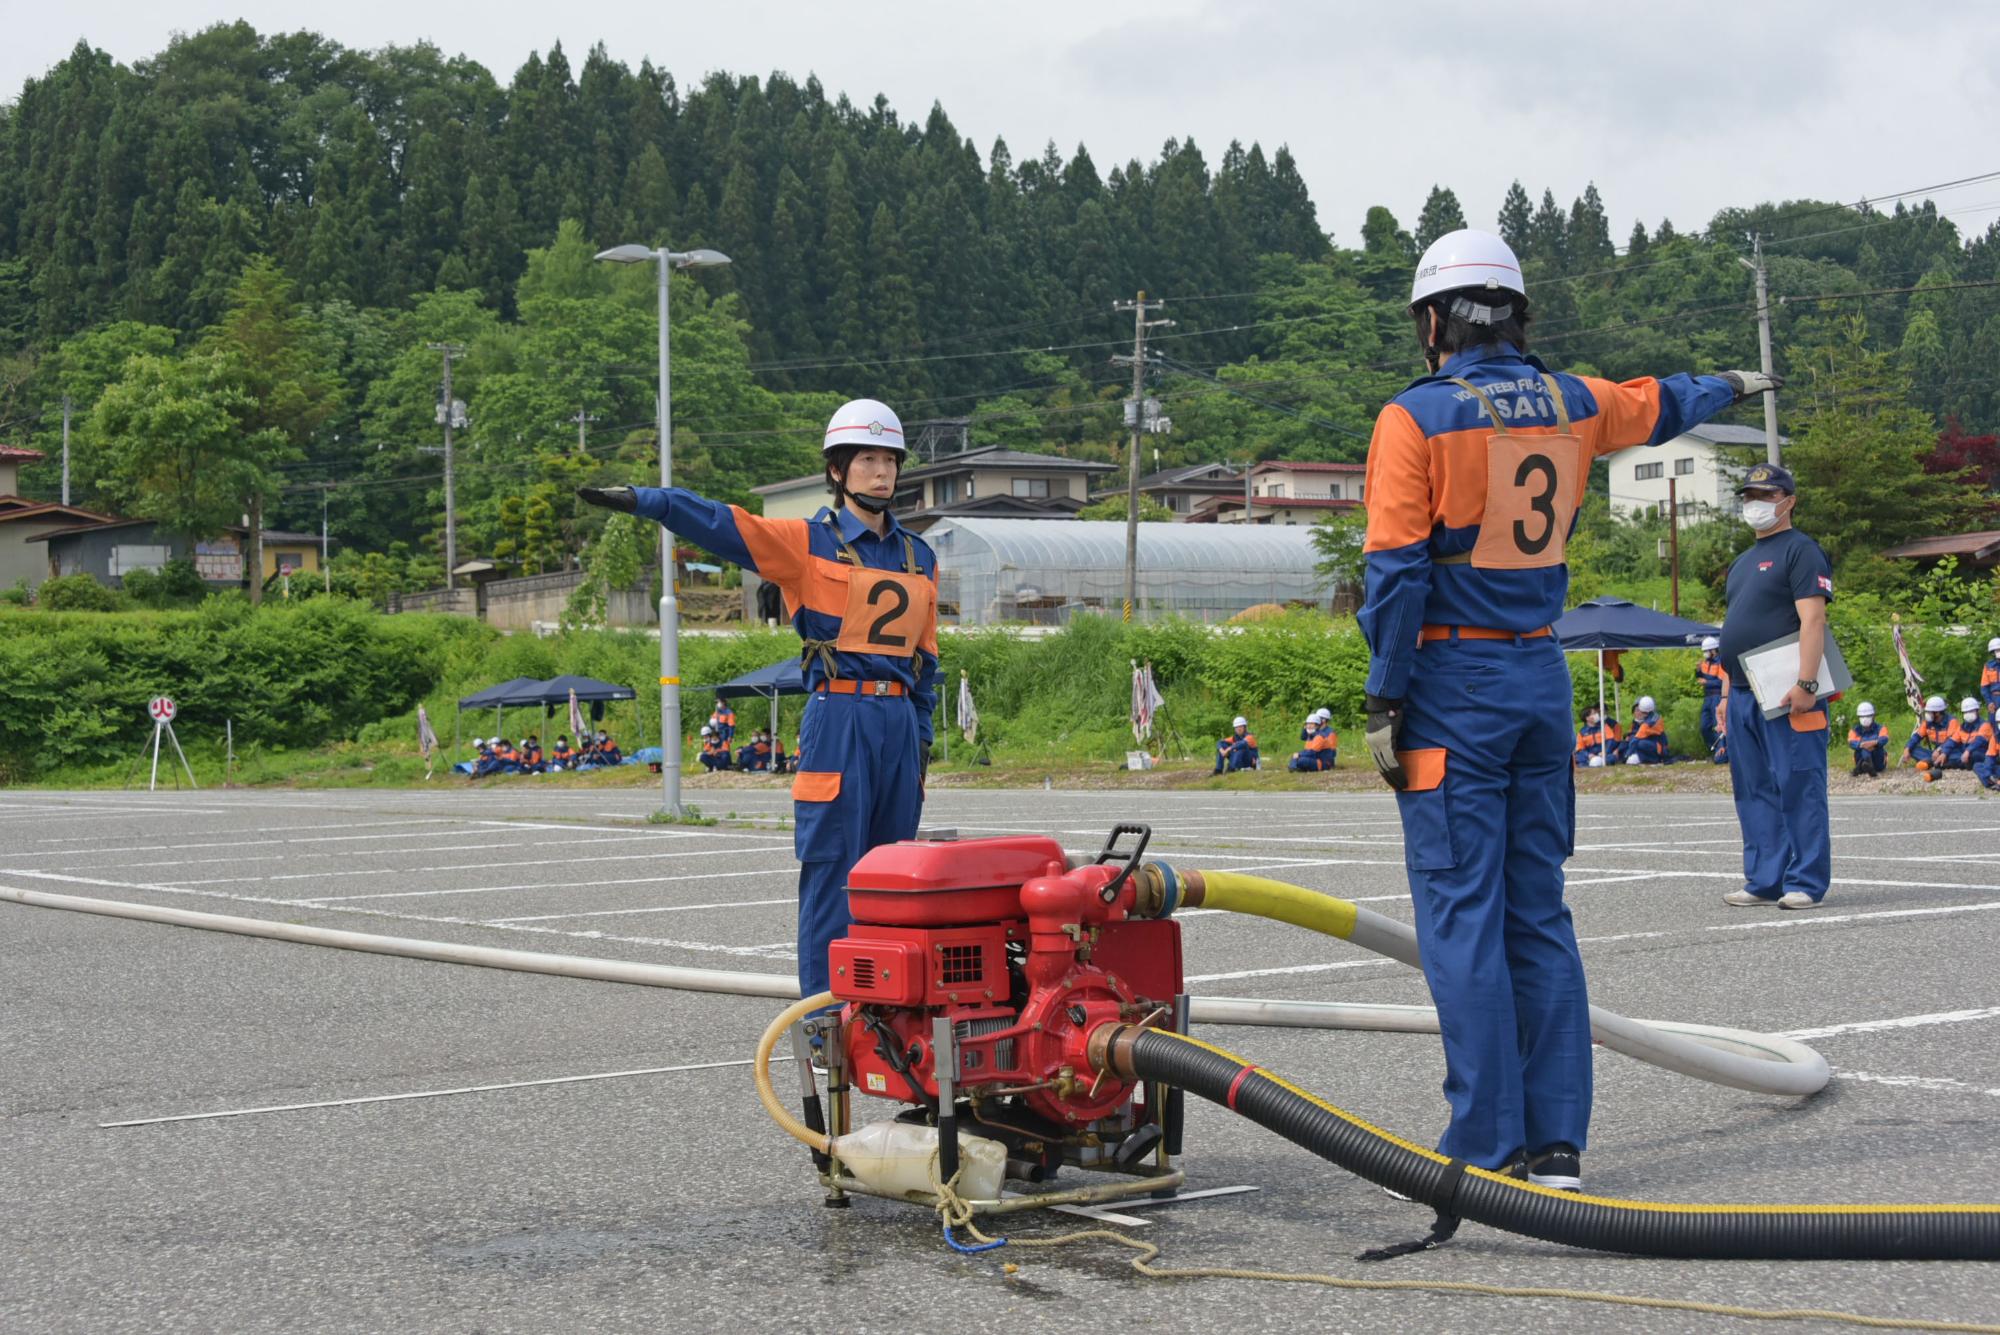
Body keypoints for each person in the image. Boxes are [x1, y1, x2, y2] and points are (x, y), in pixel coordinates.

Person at [1358, 227, 1780, 1188]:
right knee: (1537, 908)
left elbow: (1393, 576)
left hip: (1452, 682)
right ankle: (1557, 1143)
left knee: (1461, 911)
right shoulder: (1576, 401)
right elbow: (1662, 402)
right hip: (1543, 675)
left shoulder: (1415, 418)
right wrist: (1732, 383)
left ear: (1434, 321)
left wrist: (1386, 694)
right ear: (1516, 315)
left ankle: (1483, 1144)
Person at [577, 397, 938, 1003]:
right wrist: (651, 500)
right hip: (839, 715)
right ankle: (826, 1019)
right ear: (837, 470)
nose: (881, 472)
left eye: (890, 460)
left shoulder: (919, 556)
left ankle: (887, 1010)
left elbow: (927, 665)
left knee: (893, 875)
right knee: (831, 867)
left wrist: (921, 743)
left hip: (899, 721)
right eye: (867, 459)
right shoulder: (804, 543)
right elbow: (725, 522)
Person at [1716, 462, 1832, 911]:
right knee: (1754, 790)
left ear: (1788, 501)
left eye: (1765, 496)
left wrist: (1806, 682)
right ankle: (1764, 879)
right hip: (1744, 692)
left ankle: (1805, 879)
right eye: (1749, 497)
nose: (1756, 505)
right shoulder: (1742, 562)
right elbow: (1734, 628)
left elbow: (1813, 619)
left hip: (1788, 692)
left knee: (1798, 783)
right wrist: (1726, 695)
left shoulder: (1801, 551)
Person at [1930, 698, 1992, 779]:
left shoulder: (1985, 725)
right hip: (1964, 754)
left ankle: (1954, 763)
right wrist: (1943, 752)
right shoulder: (1962, 727)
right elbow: (1952, 741)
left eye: (1971, 711)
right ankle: (1952, 762)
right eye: (1966, 712)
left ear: (1977, 711)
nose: (1968, 714)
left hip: (1979, 752)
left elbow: (1978, 741)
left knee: (1973, 755)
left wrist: (1968, 751)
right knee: (1947, 754)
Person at [1695, 636, 1727, 753]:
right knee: (1704, 727)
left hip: (1717, 697)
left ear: (1713, 650)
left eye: (1706, 651)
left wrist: (1707, 682)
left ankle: (1722, 752)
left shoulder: (1721, 663)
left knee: (1717, 725)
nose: (1705, 653)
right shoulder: (1704, 663)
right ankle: (1713, 749)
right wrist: (1698, 671)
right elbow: (1700, 678)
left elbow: (1722, 682)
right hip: (1707, 697)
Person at [1906, 696, 1950, 770]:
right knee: (1912, 748)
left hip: (1948, 751)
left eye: (1929, 712)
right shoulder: (1927, 723)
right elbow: (1916, 737)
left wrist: (1939, 750)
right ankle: (1935, 762)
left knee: (1955, 755)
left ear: (1937, 713)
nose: (1927, 714)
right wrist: (1907, 748)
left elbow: (1952, 741)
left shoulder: (1952, 722)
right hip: (1935, 754)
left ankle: (1931, 762)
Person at [1847, 703, 1889, 777]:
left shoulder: (1881, 728)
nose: (1865, 719)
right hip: (1860, 757)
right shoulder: (1854, 730)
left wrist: (1874, 743)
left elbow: (1884, 739)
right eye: (1862, 716)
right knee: (1862, 748)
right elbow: (1851, 742)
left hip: (1878, 760)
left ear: (1873, 716)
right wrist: (1862, 745)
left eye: (1868, 716)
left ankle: (1861, 766)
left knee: (1871, 748)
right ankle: (1867, 764)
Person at [1623, 697, 1668, 765]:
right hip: (1661, 745)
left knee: (1639, 743)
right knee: (1639, 742)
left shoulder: (1646, 724)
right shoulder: (1657, 717)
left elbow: (1634, 741)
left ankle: (1653, 759)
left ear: (1641, 709)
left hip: (1658, 748)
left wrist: (1627, 755)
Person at [1982, 638, 2000, 722]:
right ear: (1993, 652)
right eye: (1996, 650)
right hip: (1994, 698)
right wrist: (1989, 702)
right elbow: (1984, 687)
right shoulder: (1988, 666)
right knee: (1993, 725)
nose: (1998, 652)